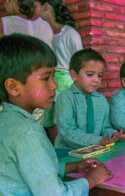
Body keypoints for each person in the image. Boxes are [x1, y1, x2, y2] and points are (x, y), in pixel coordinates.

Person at [0, 33, 112, 195]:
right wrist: (91, 180)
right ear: (13, 86)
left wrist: (70, 167)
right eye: (46, 78)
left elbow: (31, 167)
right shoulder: (27, 131)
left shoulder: (8, 121)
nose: (54, 85)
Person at [55, 49, 125, 150]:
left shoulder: (101, 100)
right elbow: (67, 132)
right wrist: (99, 140)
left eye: (99, 75)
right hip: (68, 152)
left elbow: (105, 128)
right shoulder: (65, 97)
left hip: (96, 150)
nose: (96, 80)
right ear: (74, 75)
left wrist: (114, 135)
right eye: (90, 74)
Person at [34, 0, 84, 143]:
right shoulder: (49, 34)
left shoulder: (70, 34)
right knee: (48, 120)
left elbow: (80, 62)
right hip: (52, 79)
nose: (34, 10)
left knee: (60, 121)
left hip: (66, 81)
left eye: (36, 6)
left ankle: (64, 153)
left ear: (46, 7)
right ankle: (55, 152)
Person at [0, 0, 53, 126]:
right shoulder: (46, 25)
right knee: (35, 128)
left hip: (13, 93)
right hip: (39, 89)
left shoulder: (4, 23)